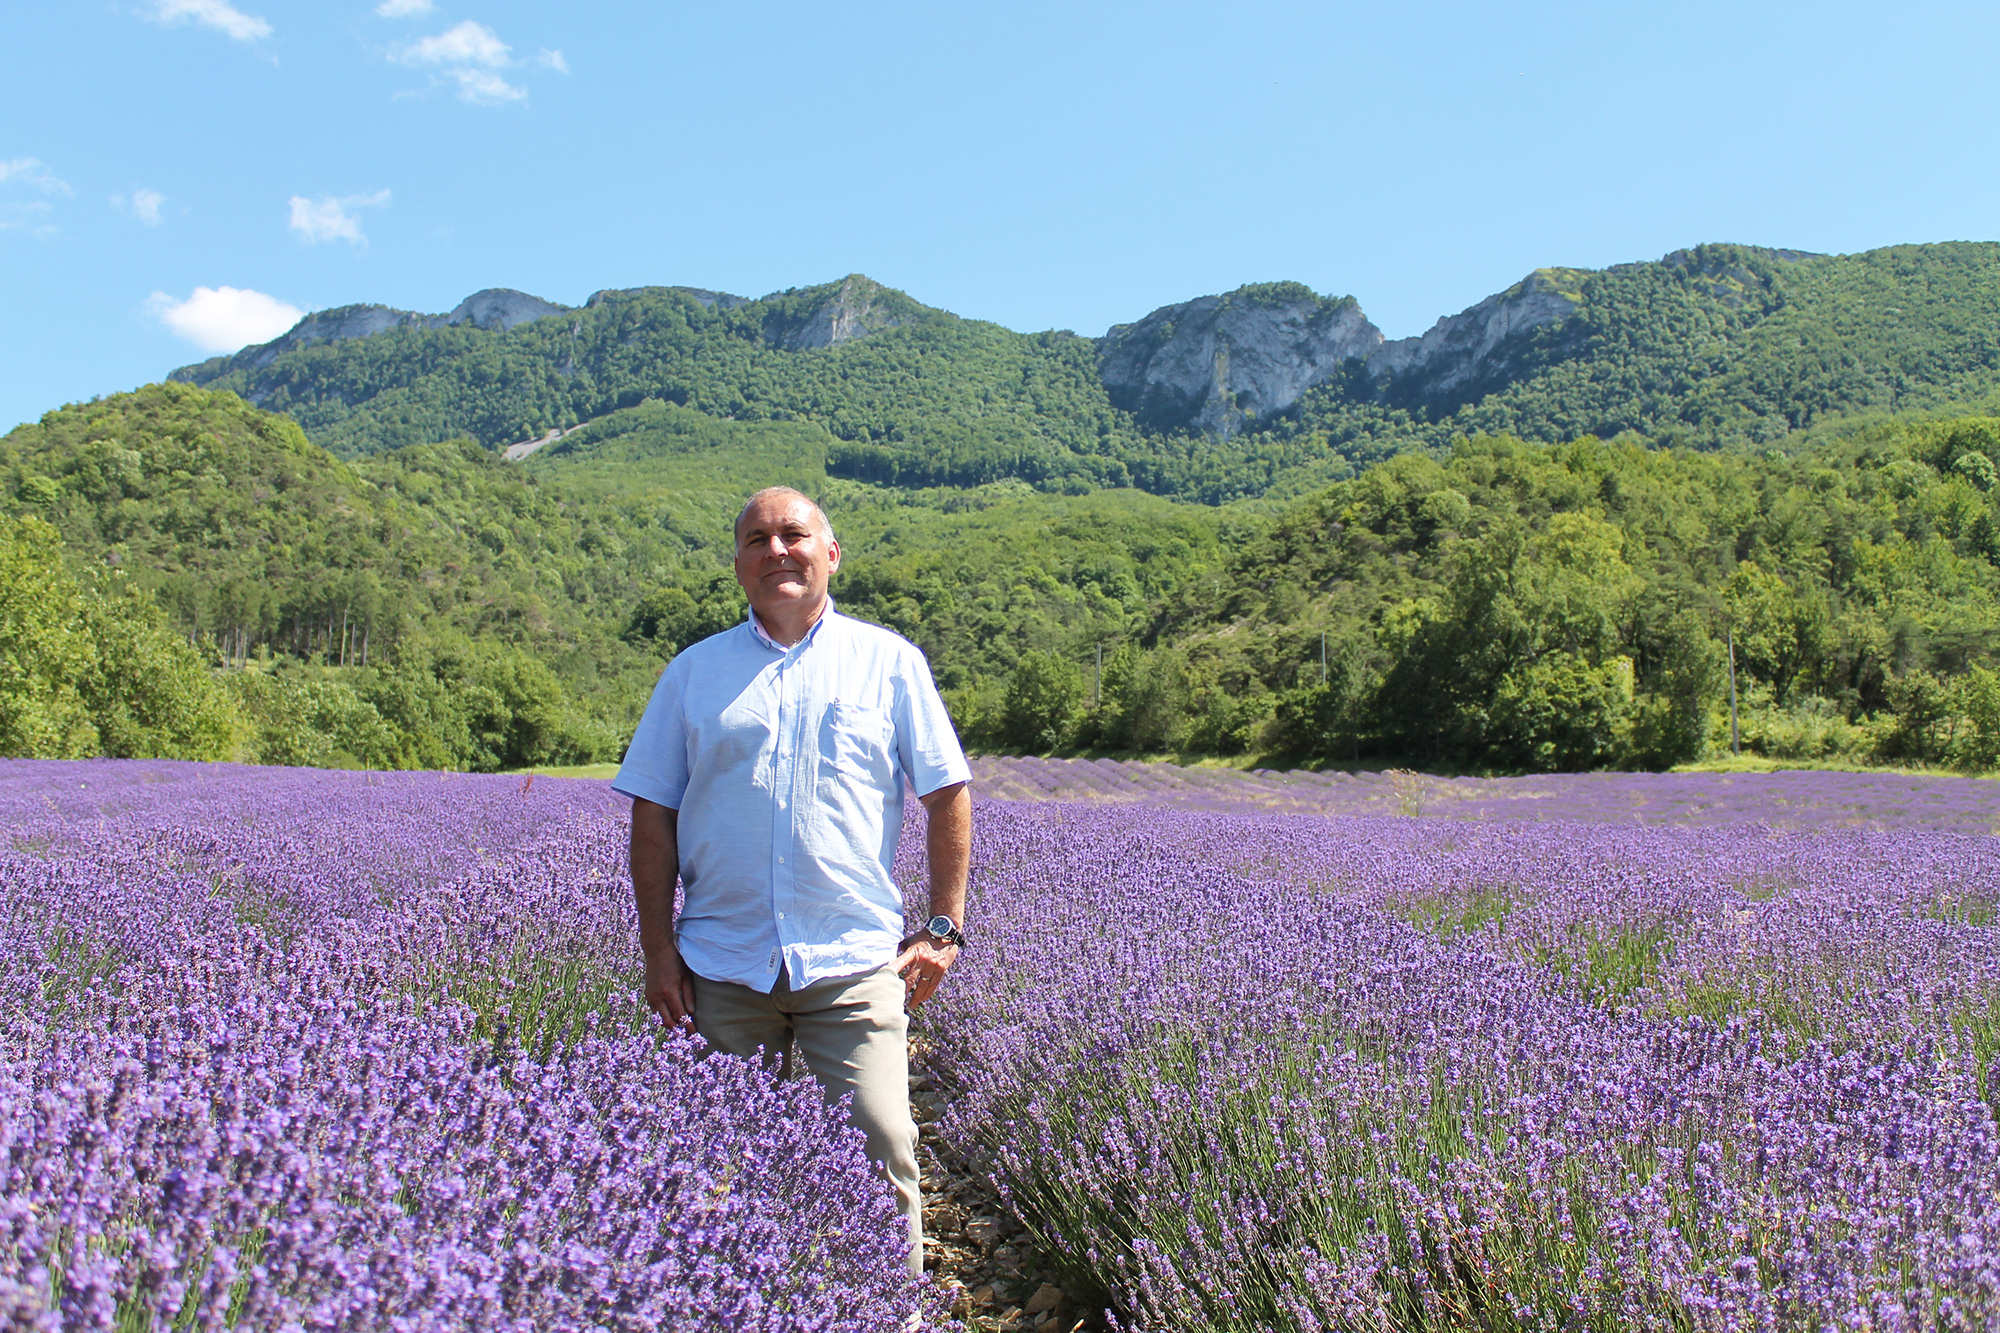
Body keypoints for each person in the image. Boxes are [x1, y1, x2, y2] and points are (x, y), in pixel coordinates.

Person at [614, 485, 972, 1277]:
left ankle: (888, 1315)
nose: (777, 550)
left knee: (885, 1155)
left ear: (830, 553)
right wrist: (657, 951)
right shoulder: (693, 672)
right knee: (705, 1173)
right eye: (757, 539)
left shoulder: (888, 662)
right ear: (738, 562)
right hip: (721, 964)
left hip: (850, 962)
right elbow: (653, 818)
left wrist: (943, 928)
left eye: (794, 535)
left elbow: (948, 791)